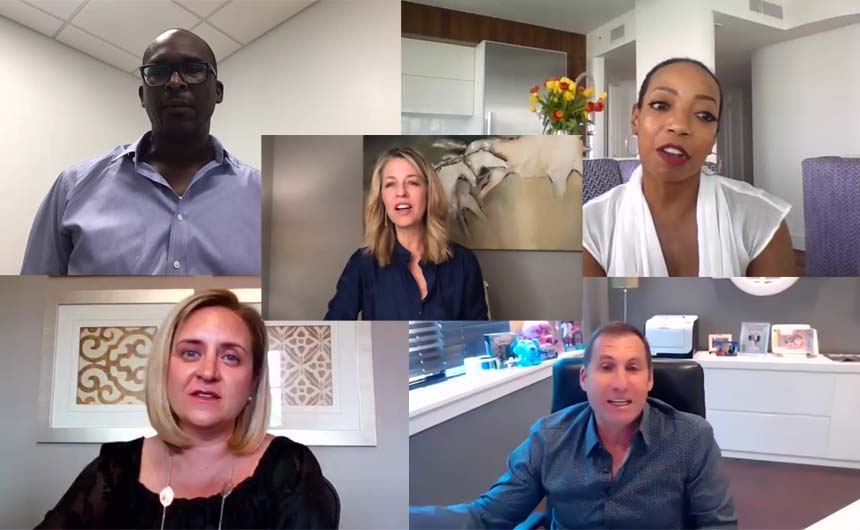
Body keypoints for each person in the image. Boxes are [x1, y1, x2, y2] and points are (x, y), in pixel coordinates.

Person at [37, 289, 337, 529]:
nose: (208, 372)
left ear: (253, 380)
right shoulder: (115, 466)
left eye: (231, 357)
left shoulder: (289, 468)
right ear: (165, 368)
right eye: (191, 352)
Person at [410, 322, 738, 529]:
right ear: (584, 378)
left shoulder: (692, 438)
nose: (620, 383)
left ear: (650, 379)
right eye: (606, 367)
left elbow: (717, 525)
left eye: (633, 368)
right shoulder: (549, 438)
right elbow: (485, 517)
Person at [22, 29, 260, 275]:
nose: (175, 82)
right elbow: (32, 303)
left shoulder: (266, 197)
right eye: (157, 72)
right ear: (142, 95)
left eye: (193, 69)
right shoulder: (72, 188)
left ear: (218, 91)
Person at [583, 57, 795, 277]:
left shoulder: (762, 219)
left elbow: (774, 310)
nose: (680, 126)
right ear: (636, 119)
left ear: (714, 137)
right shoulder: (590, 227)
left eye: (704, 115)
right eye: (661, 105)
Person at [325, 147, 488, 320]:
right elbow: (331, 334)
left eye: (412, 182)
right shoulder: (363, 264)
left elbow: (478, 337)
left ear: (429, 192)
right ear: (381, 198)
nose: (401, 192)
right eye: (390, 184)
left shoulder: (464, 263)